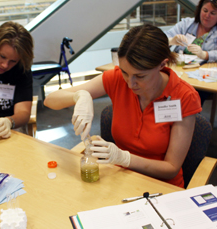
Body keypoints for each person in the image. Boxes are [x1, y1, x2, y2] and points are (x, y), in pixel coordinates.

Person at [44, 24, 202, 188]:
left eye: (140, 76)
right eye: (125, 72)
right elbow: (50, 100)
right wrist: (80, 96)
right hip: (121, 179)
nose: (130, 83)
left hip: (161, 186)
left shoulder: (184, 96)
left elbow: (171, 169)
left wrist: (125, 158)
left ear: (162, 65)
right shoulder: (117, 79)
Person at [166, 0, 217, 105]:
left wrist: (205, 54)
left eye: (213, 13)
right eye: (205, 10)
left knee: (192, 95)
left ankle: (189, 118)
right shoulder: (187, 23)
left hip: (202, 77)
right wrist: (171, 40)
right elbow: (160, 37)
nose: (207, 16)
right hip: (179, 71)